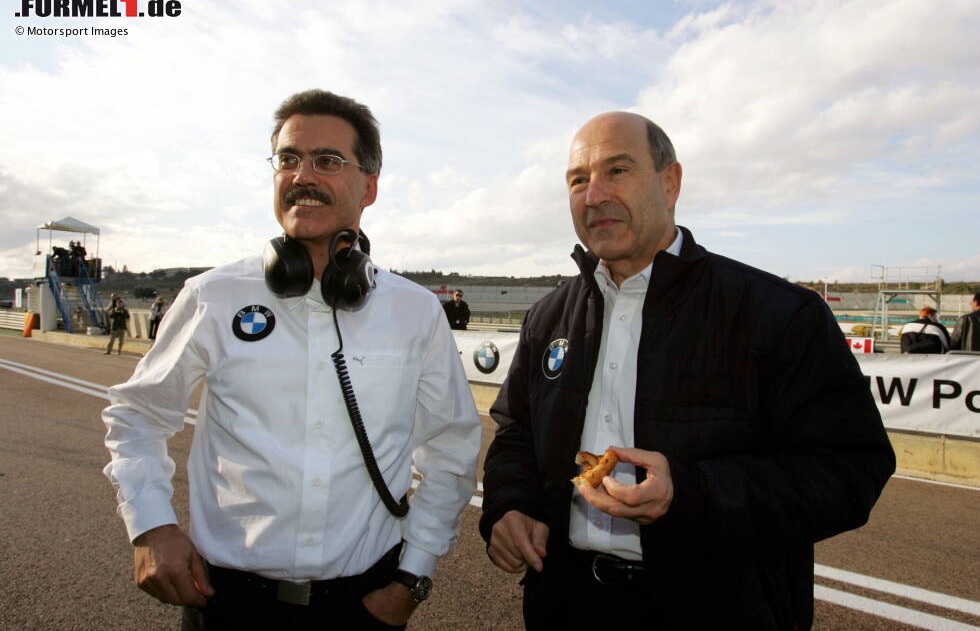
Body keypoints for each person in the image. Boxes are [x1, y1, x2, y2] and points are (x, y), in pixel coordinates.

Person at [479, 112, 895, 630]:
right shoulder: (548, 316)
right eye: (578, 180)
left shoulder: (778, 313)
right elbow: (517, 432)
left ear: (670, 183)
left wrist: (690, 493)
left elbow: (850, 469)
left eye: (618, 171)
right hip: (565, 603)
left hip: (718, 609)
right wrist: (509, 505)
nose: (594, 196)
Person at [102, 89, 482, 630]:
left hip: (363, 606)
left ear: (369, 187)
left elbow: (450, 449)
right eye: (288, 159)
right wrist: (151, 526)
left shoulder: (416, 311)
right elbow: (137, 415)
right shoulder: (214, 295)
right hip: (226, 604)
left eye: (328, 161)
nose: (303, 175)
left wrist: (412, 578)